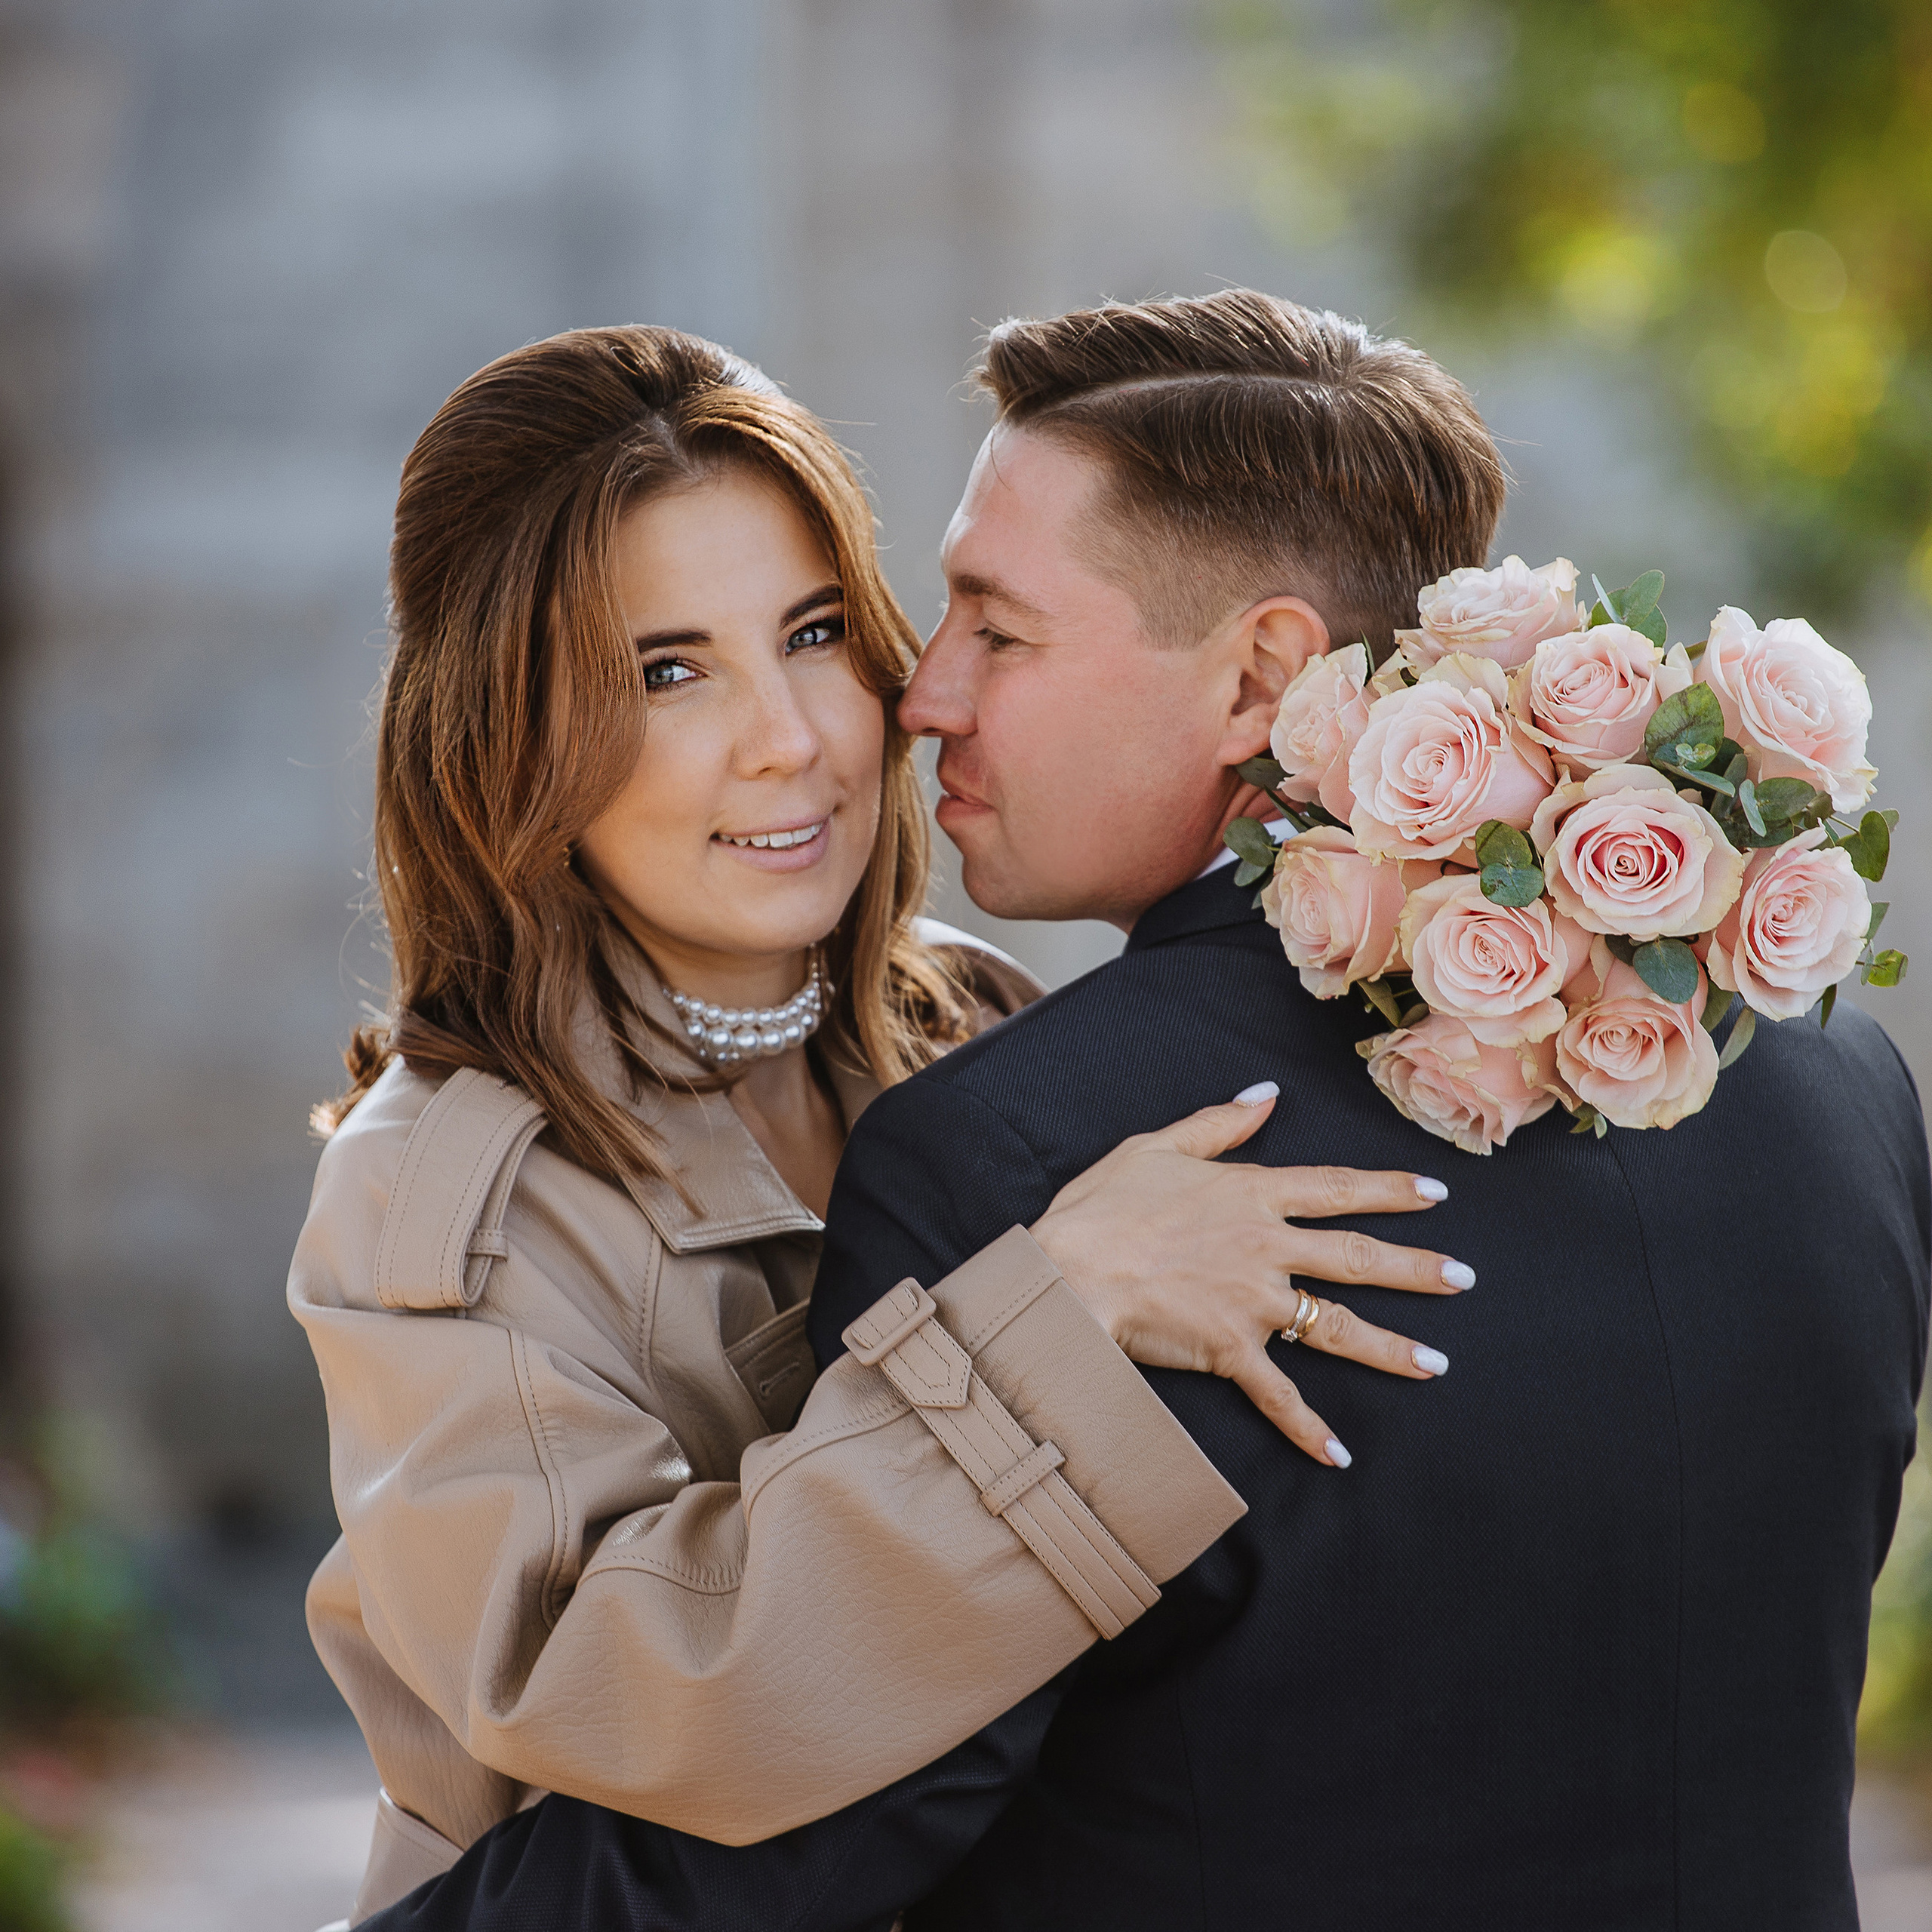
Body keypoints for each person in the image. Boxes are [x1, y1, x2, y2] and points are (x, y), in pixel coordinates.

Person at [365, 291, 1932, 1932]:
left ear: (1259, 673)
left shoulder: (1016, 1149)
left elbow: (815, 1829)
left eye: (995, 626)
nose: (921, 699)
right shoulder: (1833, 1090)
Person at [289, 325, 1476, 1924]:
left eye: (813, 630)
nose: (791, 734)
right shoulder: (446, 1194)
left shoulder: (972, 1028)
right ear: (511, 735)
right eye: (665, 668)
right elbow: (640, 1708)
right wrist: (1047, 1319)